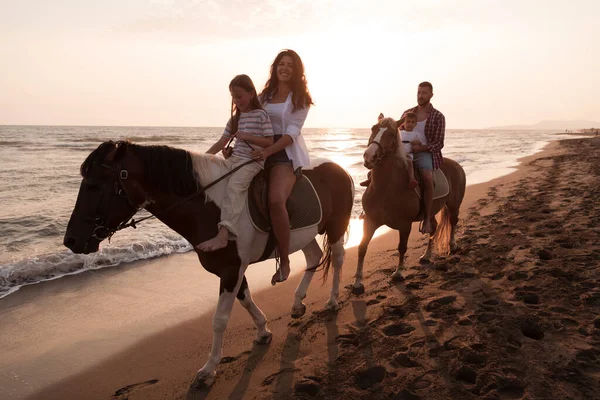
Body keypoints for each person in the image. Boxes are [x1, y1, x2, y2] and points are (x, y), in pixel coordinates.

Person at [250, 49, 314, 285]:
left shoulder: (301, 100)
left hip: (284, 155)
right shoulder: (264, 96)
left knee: (276, 199)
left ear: (296, 71)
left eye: (290, 65)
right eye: (281, 64)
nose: (284, 68)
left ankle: (285, 261)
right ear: (275, 68)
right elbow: (251, 120)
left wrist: (268, 152)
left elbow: (291, 135)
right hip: (258, 150)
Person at [196, 74, 274, 252]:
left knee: (234, 187)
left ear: (251, 94)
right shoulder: (235, 119)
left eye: (239, 96)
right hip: (234, 159)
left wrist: (247, 137)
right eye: (233, 96)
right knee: (213, 180)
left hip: (252, 161)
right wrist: (203, 158)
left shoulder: (261, 115)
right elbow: (221, 143)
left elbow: (269, 141)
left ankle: (224, 235)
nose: (236, 101)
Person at [400, 81, 445, 234]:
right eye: (419, 92)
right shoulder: (407, 113)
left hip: (425, 153)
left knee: (426, 176)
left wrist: (421, 147)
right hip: (404, 152)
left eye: (424, 93)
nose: (421, 96)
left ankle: (427, 218)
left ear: (431, 95)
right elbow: (397, 132)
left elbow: (438, 143)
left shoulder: (438, 116)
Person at [399, 112, 420, 190]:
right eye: (408, 121)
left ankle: (411, 179)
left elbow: (419, 143)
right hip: (399, 154)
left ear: (415, 124)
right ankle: (371, 179)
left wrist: (416, 143)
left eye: (412, 122)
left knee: (410, 163)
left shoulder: (415, 134)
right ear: (403, 123)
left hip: (408, 154)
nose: (410, 124)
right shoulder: (400, 133)